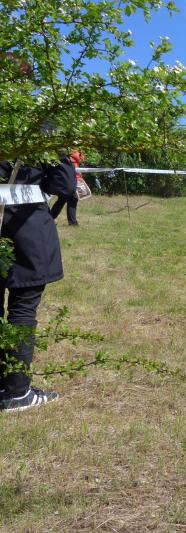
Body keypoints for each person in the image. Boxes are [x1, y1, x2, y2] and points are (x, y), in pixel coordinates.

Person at [0, 157, 76, 412]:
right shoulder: (44, 137)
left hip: (21, 226)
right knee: (22, 310)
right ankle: (16, 392)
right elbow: (64, 185)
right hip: (25, 227)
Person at [49, 150, 82, 226]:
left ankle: (50, 218)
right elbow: (79, 158)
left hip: (66, 180)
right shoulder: (73, 152)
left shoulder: (65, 155)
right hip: (72, 179)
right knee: (72, 201)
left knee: (61, 201)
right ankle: (72, 222)